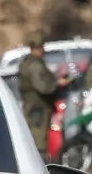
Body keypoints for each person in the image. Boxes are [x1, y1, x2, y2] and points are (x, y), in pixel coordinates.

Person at [18, 30, 69, 162]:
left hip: (36, 108)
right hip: (37, 110)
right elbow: (43, 87)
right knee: (39, 143)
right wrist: (58, 84)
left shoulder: (30, 63)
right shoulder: (34, 65)